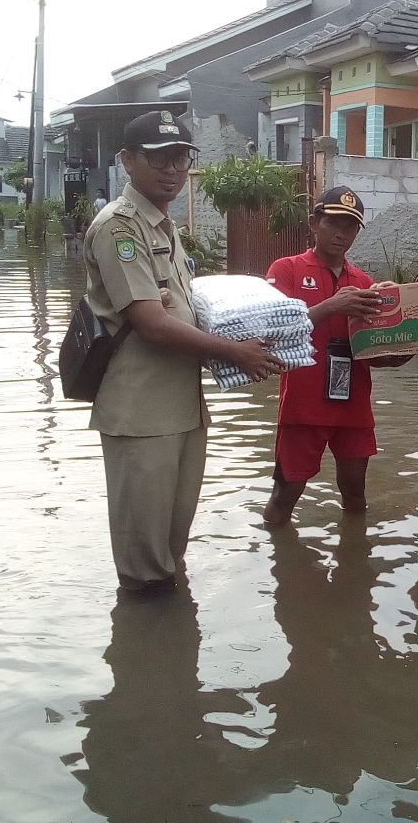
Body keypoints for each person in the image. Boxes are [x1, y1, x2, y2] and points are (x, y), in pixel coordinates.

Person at [83, 110, 284, 595]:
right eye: (158, 158)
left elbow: (187, 311)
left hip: (182, 409)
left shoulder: (164, 226)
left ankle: (174, 648)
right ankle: (147, 653)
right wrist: (235, 352)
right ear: (128, 161)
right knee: (143, 561)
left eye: (179, 159)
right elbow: (151, 323)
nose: (172, 170)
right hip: (140, 412)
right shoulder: (120, 228)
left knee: (171, 551)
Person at [263, 186, 402, 527]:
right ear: (314, 223)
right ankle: (278, 565)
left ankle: (354, 563)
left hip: (353, 406)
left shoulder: (364, 282)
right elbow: (270, 332)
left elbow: (373, 352)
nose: (342, 234)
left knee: (355, 494)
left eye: (351, 227)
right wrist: (331, 307)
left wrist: (407, 348)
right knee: (285, 494)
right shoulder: (287, 270)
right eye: (334, 223)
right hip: (303, 407)